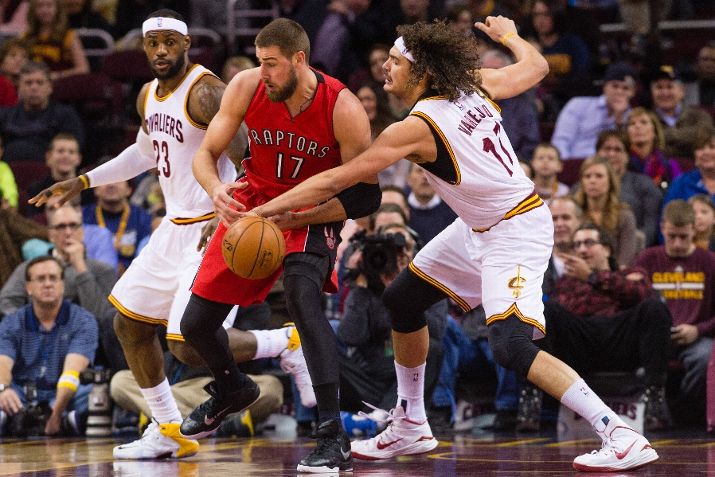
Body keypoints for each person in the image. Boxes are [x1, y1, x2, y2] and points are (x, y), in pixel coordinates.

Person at [243, 16, 659, 472]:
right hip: (477, 225)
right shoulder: (471, 84)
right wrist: (510, 38)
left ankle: (618, 433)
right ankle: (411, 424)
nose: (385, 69)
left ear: (422, 73)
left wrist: (265, 209)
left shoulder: (416, 126)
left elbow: (343, 176)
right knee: (402, 300)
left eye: (396, 63)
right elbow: (536, 67)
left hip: (515, 228)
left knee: (511, 346)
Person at [29, 10, 316, 461]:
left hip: (213, 227)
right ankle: (168, 430)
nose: (161, 51)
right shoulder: (148, 95)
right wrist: (82, 181)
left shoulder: (205, 92)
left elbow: (251, 158)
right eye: (152, 43)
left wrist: (228, 212)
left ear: (186, 44)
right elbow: (144, 153)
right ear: (144, 47)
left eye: (169, 42)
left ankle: (285, 342)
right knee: (130, 325)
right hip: (173, 227)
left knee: (187, 344)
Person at [180, 17, 377, 474]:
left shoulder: (342, 106)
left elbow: (367, 195)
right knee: (195, 325)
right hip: (253, 206)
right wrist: (215, 191)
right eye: (259, 61)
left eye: (271, 63)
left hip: (309, 211)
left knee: (302, 297)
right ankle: (232, 387)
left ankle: (332, 434)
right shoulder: (247, 86)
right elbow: (205, 155)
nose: (262, 71)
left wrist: (304, 216)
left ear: (299, 60)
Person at [541, 223, 673, 431]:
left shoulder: (631, 272)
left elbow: (639, 294)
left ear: (607, 249)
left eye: (589, 243)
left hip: (621, 342)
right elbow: (563, 315)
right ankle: (533, 402)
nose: (582, 249)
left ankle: (655, 399)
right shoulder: (567, 282)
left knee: (654, 308)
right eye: (577, 245)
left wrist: (592, 278)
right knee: (546, 310)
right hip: (582, 345)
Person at [634, 199, 715, 421]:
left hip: (697, 337)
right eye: (672, 236)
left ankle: (683, 412)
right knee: (640, 365)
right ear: (662, 228)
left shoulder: (709, 261)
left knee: (705, 358)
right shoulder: (647, 258)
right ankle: (657, 410)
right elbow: (633, 300)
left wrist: (698, 329)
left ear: (694, 230)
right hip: (654, 337)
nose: (678, 244)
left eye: (684, 237)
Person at [0, 255, 98, 436]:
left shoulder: (83, 320)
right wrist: (3, 390)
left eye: (53, 278)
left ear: (63, 284)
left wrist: (56, 414)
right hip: (21, 393)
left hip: (65, 394)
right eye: (40, 279)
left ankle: (67, 418)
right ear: (28, 287)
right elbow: (2, 363)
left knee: (94, 392)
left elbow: (72, 372)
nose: (47, 284)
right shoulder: (11, 322)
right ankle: (9, 415)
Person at [0, 61, 84, 163]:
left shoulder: (66, 116)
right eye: (28, 83)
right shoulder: (4, 116)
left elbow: (73, 152)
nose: (34, 87)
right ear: (19, 88)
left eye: (40, 82)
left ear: (50, 87)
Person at [551, 61, 636, 160]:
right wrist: (567, 167)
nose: (619, 92)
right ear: (604, 86)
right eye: (615, 86)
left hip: (611, 167)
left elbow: (627, 151)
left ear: (632, 93)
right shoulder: (578, 105)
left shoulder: (634, 117)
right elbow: (561, 141)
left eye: (625, 88)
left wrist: (619, 121)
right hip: (574, 162)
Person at [595, 129, 662, 247]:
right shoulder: (582, 186)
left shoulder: (644, 185)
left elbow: (651, 227)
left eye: (618, 149)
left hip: (635, 250)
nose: (611, 154)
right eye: (606, 149)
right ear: (597, 154)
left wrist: (631, 248)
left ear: (627, 157)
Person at [572, 155, 640, 267]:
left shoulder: (624, 215)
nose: (592, 181)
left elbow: (625, 261)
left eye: (599, 176)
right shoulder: (574, 213)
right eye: (587, 176)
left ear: (610, 181)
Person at [23, 0, 90, 81]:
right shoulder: (26, 36)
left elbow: (83, 69)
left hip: (59, 86)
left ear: (58, 9)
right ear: (33, 10)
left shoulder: (69, 35)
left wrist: (57, 75)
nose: (45, 10)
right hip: (32, 85)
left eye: (49, 5)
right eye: (40, 6)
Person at [625, 106, 682, 190]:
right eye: (632, 123)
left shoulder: (668, 163)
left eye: (643, 122)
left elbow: (679, 190)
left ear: (654, 132)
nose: (637, 126)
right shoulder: (622, 162)